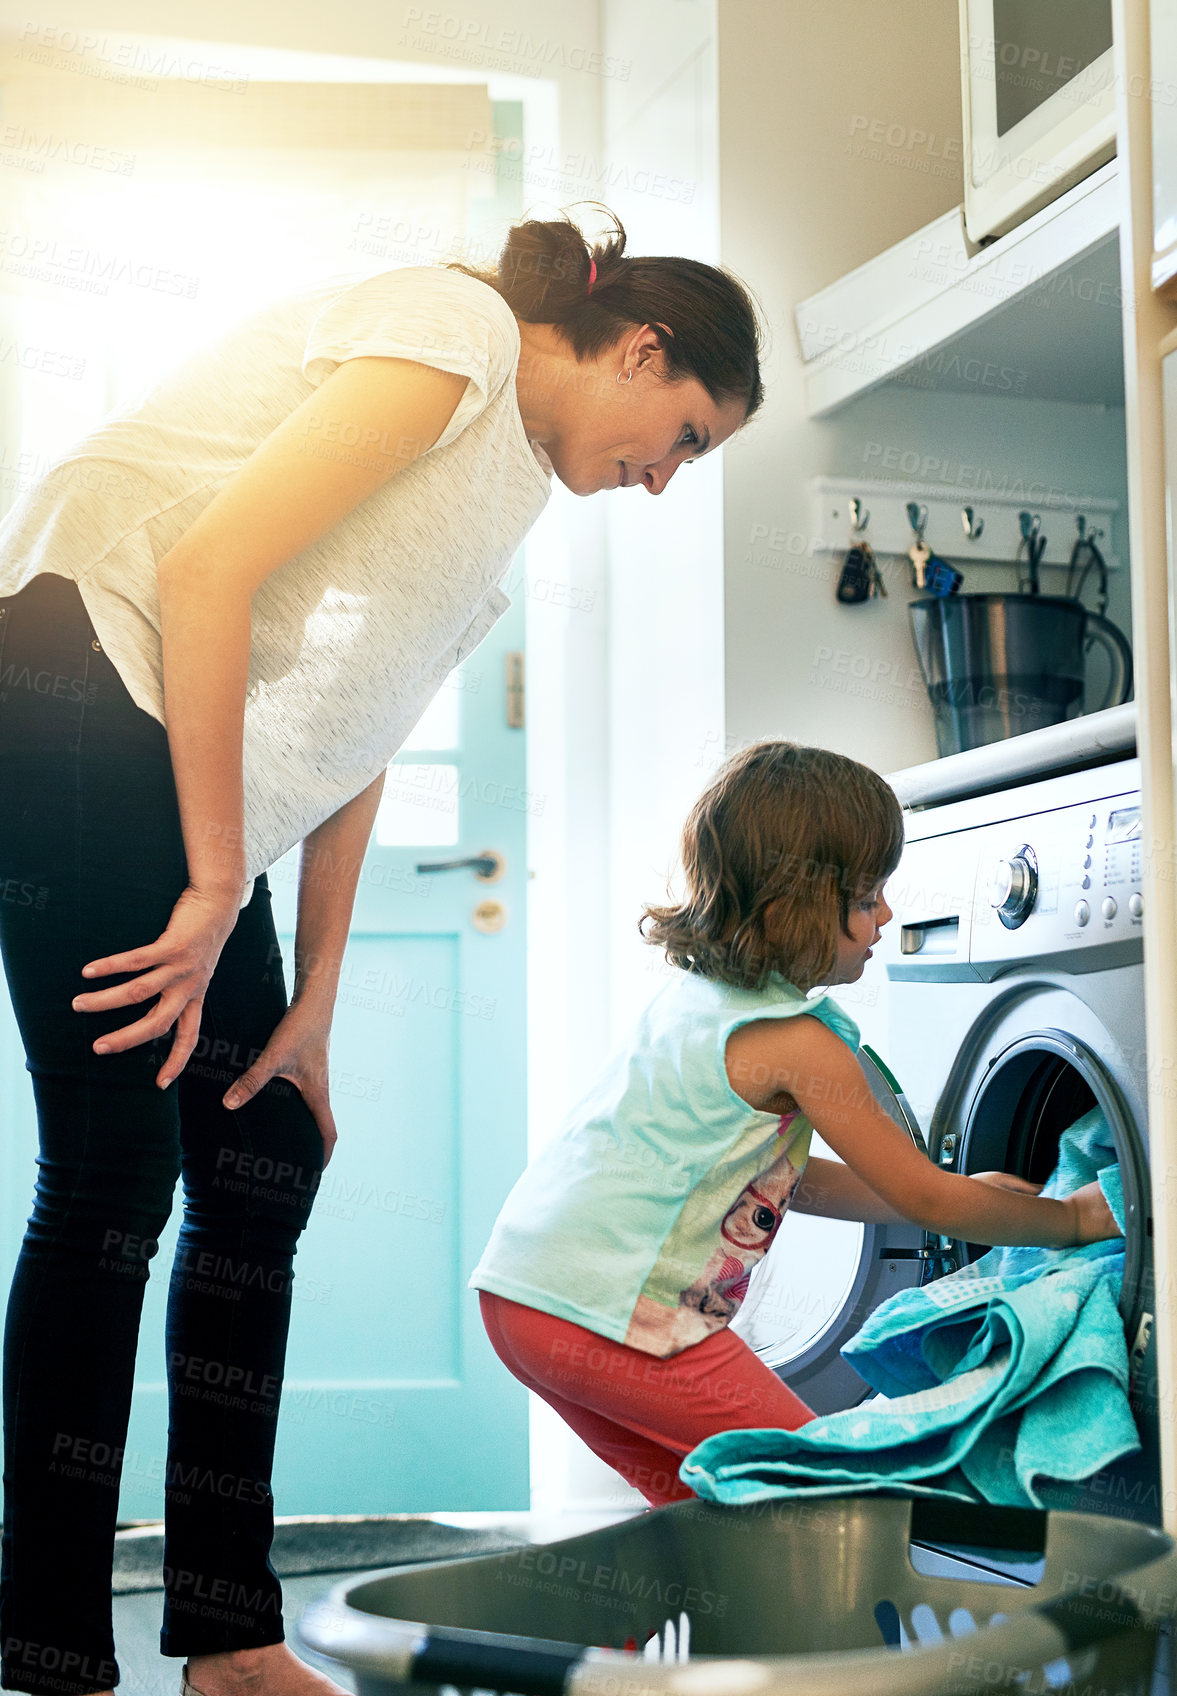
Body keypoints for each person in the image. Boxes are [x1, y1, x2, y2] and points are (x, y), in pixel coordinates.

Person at [0, 208, 763, 1696]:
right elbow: (212, 566)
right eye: (681, 436)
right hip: (75, 676)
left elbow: (366, 729)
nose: (665, 480)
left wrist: (316, 995)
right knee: (109, 1178)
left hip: (180, 765)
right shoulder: (457, 331)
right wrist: (221, 879)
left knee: (264, 1149)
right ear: (642, 348)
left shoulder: (509, 506)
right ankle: (47, 1646)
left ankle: (224, 1633)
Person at [470, 740, 1124, 1508]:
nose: (884, 914)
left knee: (709, 1516)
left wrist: (949, 1184)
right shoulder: (799, 1044)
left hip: (523, 1300)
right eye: (864, 897)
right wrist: (1071, 1218)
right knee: (825, 1504)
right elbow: (928, 1204)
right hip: (614, 1314)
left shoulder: (698, 1001)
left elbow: (781, 1183)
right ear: (789, 908)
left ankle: (662, 1632)